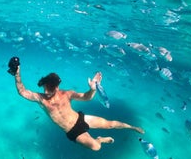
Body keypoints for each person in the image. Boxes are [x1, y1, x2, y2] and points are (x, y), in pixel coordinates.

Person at [12, 57, 144, 151]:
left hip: (80, 119)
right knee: (96, 147)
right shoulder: (40, 98)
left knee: (110, 124)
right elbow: (22, 91)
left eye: (50, 89)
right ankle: (99, 139)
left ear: (57, 87)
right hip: (72, 131)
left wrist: (92, 89)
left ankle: (132, 127)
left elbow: (86, 97)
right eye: (45, 88)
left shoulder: (67, 94)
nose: (46, 92)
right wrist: (17, 74)